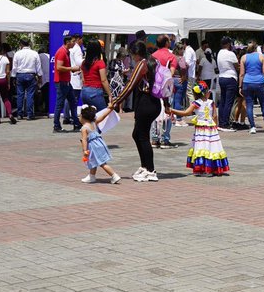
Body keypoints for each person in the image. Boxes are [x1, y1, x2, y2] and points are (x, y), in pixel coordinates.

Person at [111, 40, 161, 181]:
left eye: (132, 55)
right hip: (154, 102)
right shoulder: (153, 61)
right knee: (137, 134)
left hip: (146, 103)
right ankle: (145, 167)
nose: (132, 58)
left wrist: (116, 101)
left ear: (137, 53)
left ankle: (150, 170)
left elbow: (130, 85)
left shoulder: (142, 64)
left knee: (142, 136)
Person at [167, 81, 229, 176]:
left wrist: (172, 110)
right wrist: (215, 126)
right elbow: (215, 116)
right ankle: (213, 168)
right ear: (206, 92)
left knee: (202, 146)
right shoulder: (211, 102)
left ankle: (203, 168)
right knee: (212, 146)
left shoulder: (196, 103)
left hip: (201, 129)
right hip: (211, 128)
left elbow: (186, 113)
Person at [78, 105, 122, 184]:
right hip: (100, 144)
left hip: (93, 147)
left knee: (102, 163)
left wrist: (84, 150)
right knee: (93, 160)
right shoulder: (94, 123)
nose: (79, 118)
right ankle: (91, 176)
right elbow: (103, 116)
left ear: (83, 117)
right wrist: (110, 109)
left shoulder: (84, 128)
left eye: (80, 116)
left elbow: (84, 140)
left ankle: (114, 175)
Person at [239, 41, 264, 134]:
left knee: (249, 105)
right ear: (256, 48)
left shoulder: (244, 57)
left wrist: (240, 86)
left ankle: (253, 127)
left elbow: (241, 73)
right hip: (259, 82)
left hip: (247, 82)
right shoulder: (262, 57)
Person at [51, 34, 80, 134]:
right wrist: (72, 68)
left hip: (67, 82)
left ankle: (76, 123)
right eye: (73, 41)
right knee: (59, 104)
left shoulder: (67, 52)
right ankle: (56, 126)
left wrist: (72, 70)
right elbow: (58, 67)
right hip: (61, 82)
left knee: (73, 102)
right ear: (67, 42)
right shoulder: (61, 52)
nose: (74, 43)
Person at [216, 37, 239, 131]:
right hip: (230, 77)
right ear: (229, 44)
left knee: (223, 101)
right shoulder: (231, 54)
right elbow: (236, 66)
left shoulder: (219, 53)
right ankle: (225, 123)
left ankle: (221, 121)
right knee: (229, 102)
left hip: (222, 77)